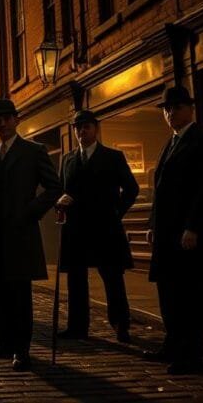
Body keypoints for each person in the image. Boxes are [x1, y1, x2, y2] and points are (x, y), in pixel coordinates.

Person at [0, 98, 62, 372]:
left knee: (20, 296)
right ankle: (4, 343)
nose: (0, 123)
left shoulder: (33, 151)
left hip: (21, 234)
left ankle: (21, 350)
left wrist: (30, 212)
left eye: (5, 118)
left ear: (16, 119)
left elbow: (53, 187)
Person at [145, 86, 203, 375]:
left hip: (188, 233)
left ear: (190, 109)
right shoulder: (170, 143)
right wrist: (153, 224)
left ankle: (192, 354)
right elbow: (160, 189)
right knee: (168, 292)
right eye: (166, 109)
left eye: (176, 107)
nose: (170, 113)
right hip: (166, 233)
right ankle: (172, 343)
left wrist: (193, 227)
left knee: (190, 295)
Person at [55, 110, 139, 343]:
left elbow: (132, 189)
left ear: (96, 128)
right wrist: (60, 201)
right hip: (76, 230)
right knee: (76, 280)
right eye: (78, 128)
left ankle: (121, 324)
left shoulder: (113, 157)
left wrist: (115, 212)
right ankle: (77, 327)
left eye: (86, 127)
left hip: (105, 229)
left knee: (113, 279)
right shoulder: (68, 160)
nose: (81, 132)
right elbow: (63, 190)